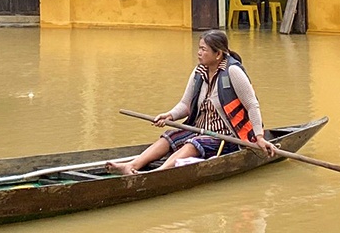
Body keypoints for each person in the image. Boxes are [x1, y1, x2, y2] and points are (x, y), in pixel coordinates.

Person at [106, 30, 278, 175]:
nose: (199, 53)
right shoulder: (199, 72)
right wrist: (169, 115)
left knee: (193, 144)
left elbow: (252, 105)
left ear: (218, 54)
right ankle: (131, 165)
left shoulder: (233, 71)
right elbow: (185, 105)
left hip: (228, 136)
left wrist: (259, 137)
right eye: (199, 48)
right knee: (169, 137)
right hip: (199, 129)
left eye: (204, 49)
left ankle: (159, 173)